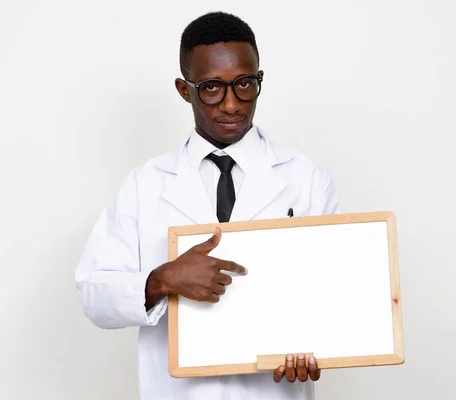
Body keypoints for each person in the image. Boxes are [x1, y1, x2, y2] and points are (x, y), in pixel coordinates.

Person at [74, 10, 340, 400]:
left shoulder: (306, 178)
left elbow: (335, 291)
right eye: (212, 88)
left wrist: (322, 346)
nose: (232, 104)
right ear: (185, 90)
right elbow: (93, 294)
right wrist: (162, 280)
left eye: (244, 85)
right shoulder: (144, 184)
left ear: (259, 81)